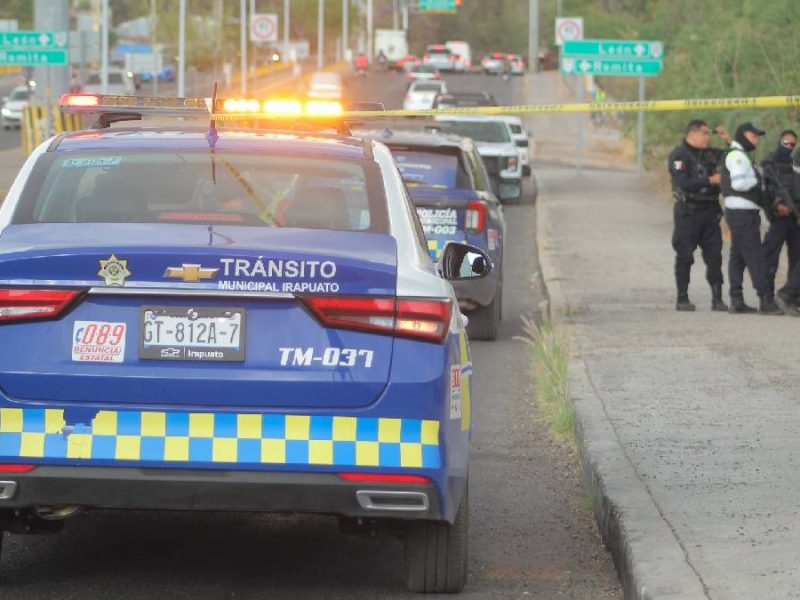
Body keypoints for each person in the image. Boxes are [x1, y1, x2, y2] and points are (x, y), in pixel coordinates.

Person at [668, 120, 731, 311]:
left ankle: (717, 299)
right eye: (704, 133)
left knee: (715, 256)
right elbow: (682, 182)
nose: (707, 137)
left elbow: (736, 157)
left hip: (710, 211)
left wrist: (729, 141)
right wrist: (709, 180)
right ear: (692, 134)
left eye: (708, 133)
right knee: (685, 256)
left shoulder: (712, 153)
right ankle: (682, 297)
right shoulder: (679, 155)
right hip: (689, 212)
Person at [720, 122, 782, 314]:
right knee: (755, 255)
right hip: (742, 212)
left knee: (738, 256)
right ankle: (766, 300)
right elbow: (739, 184)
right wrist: (756, 180)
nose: (756, 140)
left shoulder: (741, 154)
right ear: (743, 136)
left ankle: (736, 299)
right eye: (753, 136)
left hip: (741, 211)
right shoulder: (737, 156)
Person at [760, 130, 800, 297]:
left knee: (796, 259)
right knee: (770, 257)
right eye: (786, 143)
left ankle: (791, 297)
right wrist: (776, 206)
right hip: (778, 219)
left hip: (795, 219)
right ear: (779, 141)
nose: (789, 147)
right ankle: (767, 297)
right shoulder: (768, 163)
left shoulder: (795, 164)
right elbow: (763, 192)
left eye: (792, 144)